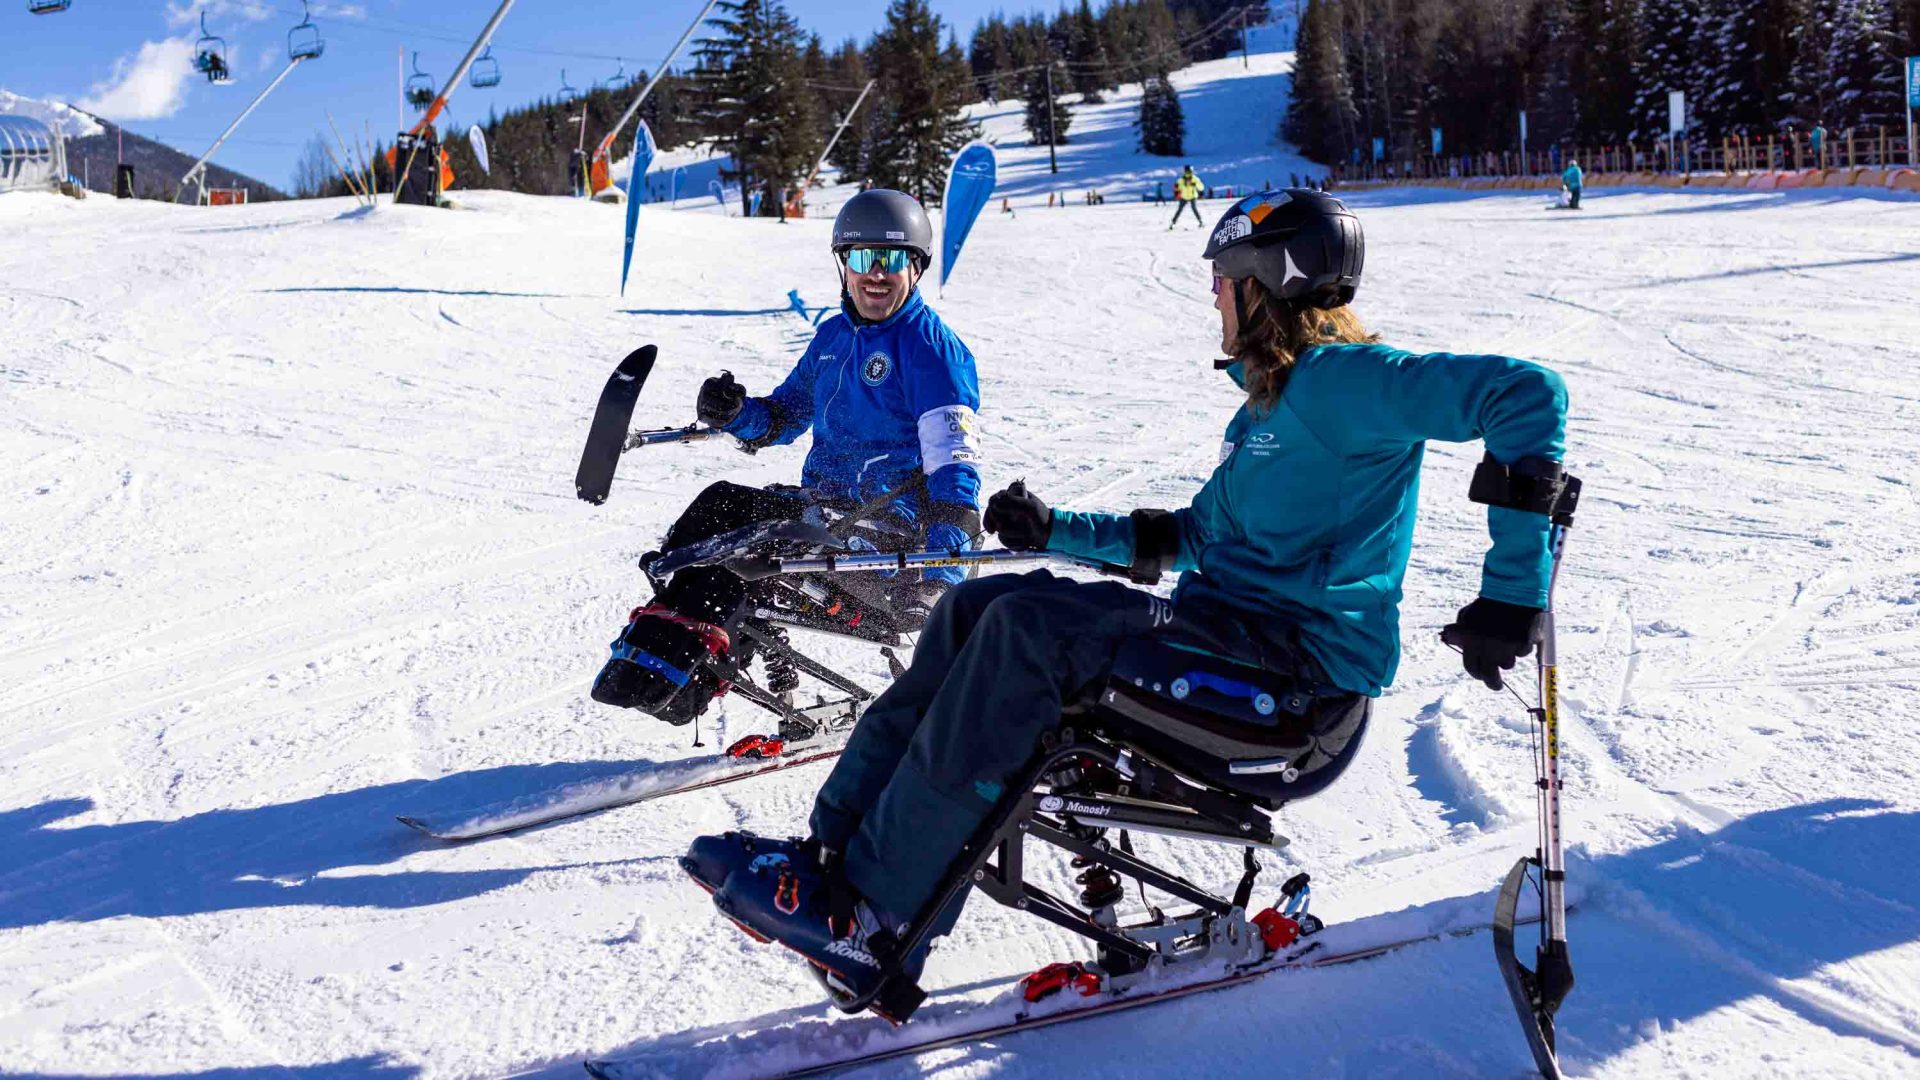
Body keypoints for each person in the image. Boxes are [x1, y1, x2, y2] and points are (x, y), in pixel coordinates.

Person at [689, 188, 1570, 1007]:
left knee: (1027, 635)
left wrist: (1511, 594)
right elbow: (1190, 539)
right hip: (1220, 635)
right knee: (976, 608)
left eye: (1223, 283)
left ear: (1266, 287)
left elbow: (1526, 393)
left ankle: (874, 922)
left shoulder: (1350, 380)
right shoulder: (1269, 410)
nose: (1214, 301)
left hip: (1298, 692)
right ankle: (833, 859)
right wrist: (1053, 528)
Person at [591, 189, 985, 727]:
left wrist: (941, 571)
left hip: (887, 541)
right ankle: (660, 661)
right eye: (861, 258)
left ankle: (682, 674)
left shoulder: (931, 351)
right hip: (823, 514)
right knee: (719, 507)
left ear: (915, 267)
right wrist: (734, 413)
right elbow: (781, 417)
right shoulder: (832, 338)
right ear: (842, 265)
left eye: (889, 260)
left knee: (753, 535)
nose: (875, 274)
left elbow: (954, 468)